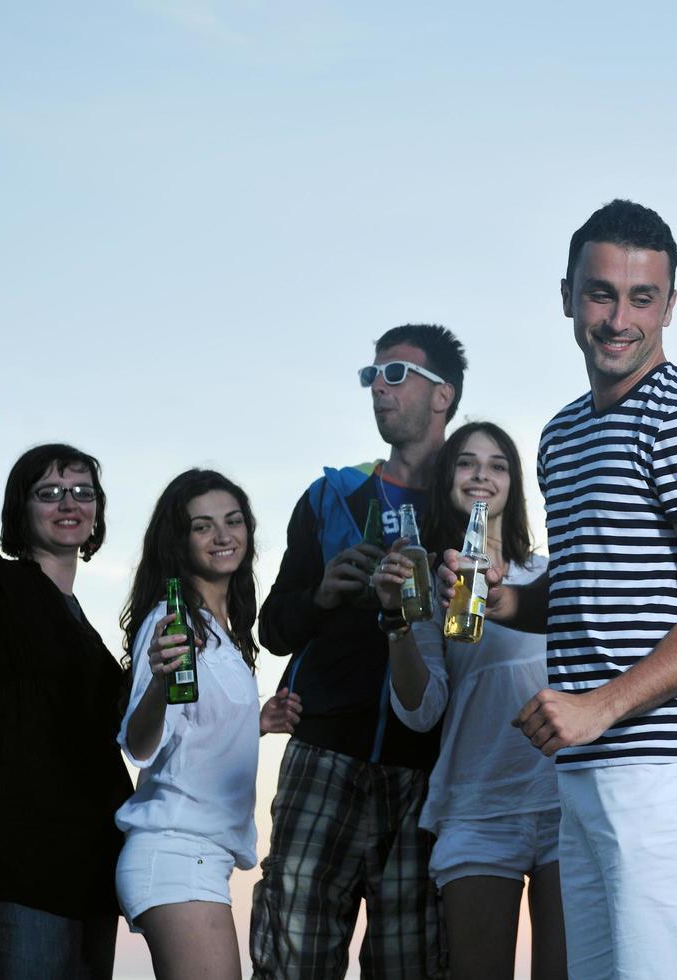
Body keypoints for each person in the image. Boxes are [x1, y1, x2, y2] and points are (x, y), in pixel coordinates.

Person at [445, 199, 677, 979]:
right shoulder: (562, 434)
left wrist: (600, 706)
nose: (619, 318)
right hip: (581, 774)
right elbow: (588, 589)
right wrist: (506, 599)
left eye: (642, 298)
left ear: (670, 306)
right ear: (566, 296)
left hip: (669, 772)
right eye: (601, 294)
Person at [250, 324, 467, 979]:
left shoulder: (470, 507)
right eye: (371, 376)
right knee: (293, 961)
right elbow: (274, 630)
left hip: (427, 775)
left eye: (395, 375)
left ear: (442, 396)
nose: (377, 387)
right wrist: (319, 595)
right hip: (323, 757)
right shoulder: (330, 498)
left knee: (411, 967)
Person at [0, 366, 134, 978]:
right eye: (50, 491)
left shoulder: (91, 634)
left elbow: (135, 731)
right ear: (22, 507)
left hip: (93, 875)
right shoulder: (1, 585)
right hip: (22, 868)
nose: (69, 503)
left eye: (83, 491)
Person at [372, 421, 565, 980]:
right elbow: (421, 709)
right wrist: (397, 618)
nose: (482, 473)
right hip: (477, 806)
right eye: (466, 462)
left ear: (515, 483)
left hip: (561, 798)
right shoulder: (428, 583)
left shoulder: (551, 574)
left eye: (498, 463)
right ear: (447, 480)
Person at [113, 469, 302, 979]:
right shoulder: (172, 622)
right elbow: (139, 743)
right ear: (179, 541)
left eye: (233, 521)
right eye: (203, 526)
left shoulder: (223, 633)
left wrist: (253, 723)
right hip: (175, 851)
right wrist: (156, 682)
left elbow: (190, 732)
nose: (223, 536)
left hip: (201, 857)